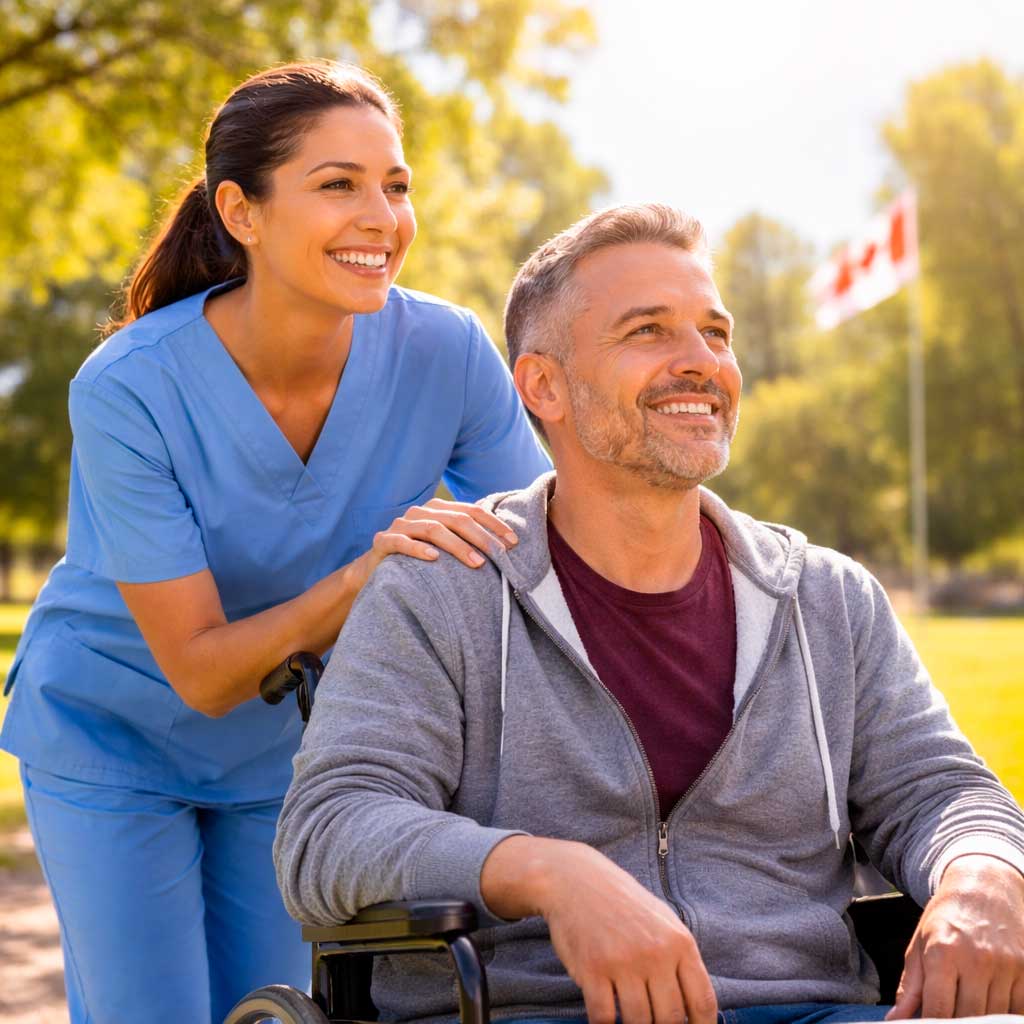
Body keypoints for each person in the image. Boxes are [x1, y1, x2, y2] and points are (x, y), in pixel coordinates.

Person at [275, 203, 1024, 1024]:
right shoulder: (442, 589)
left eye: (715, 333)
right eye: (649, 332)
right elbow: (330, 830)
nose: (700, 362)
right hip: (539, 1009)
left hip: (810, 1006)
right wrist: (549, 874)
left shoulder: (826, 596)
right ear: (544, 385)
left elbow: (940, 790)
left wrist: (983, 873)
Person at [0, 61, 550, 1024]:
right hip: (112, 736)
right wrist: (364, 579)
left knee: (281, 1012)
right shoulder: (129, 386)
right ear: (241, 212)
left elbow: (540, 548)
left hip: (289, 752)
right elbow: (205, 674)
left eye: (396, 185)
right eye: (338, 184)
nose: (382, 215)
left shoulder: (449, 353)